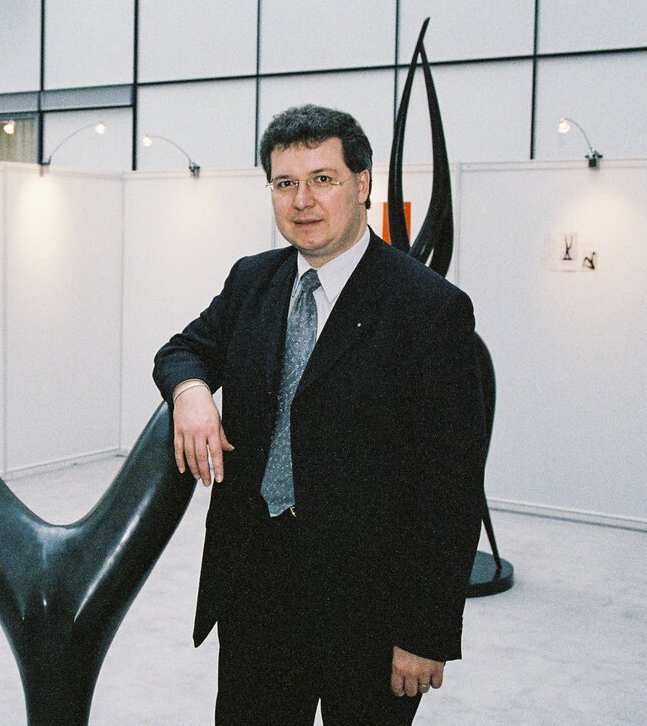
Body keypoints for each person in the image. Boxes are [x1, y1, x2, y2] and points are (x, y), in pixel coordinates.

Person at [153, 104, 487, 725]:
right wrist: (192, 392)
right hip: (256, 586)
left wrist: (425, 631)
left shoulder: (428, 309)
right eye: (285, 183)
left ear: (363, 185)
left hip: (369, 606)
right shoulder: (254, 280)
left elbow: (451, 486)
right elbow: (183, 349)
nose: (302, 200)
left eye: (323, 179)